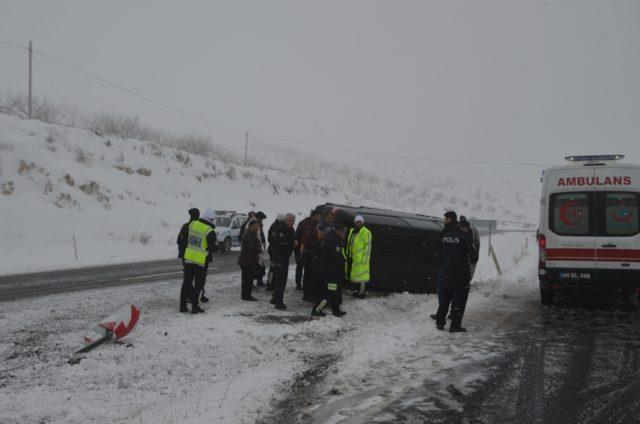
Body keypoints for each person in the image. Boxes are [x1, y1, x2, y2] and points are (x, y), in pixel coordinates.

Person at [435, 211, 478, 332]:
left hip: (445, 273)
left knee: (444, 300)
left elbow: (439, 255)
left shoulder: (444, 236)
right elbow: (474, 257)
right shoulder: (464, 236)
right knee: (459, 301)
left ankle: (440, 322)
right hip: (460, 275)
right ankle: (455, 325)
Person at [180, 208, 217, 314]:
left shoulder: (192, 224)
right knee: (198, 285)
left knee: (186, 283)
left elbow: (185, 238)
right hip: (201, 261)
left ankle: (182, 306)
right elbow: (212, 247)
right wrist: (216, 247)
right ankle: (195, 307)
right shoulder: (209, 231)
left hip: (189, 258)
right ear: (210, 219)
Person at [311, 223, 347, 317]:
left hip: (331, 270)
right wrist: (344, 260)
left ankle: (336, 310)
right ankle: (317, 309)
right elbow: (337, 255)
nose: (344, 235)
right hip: (331, 272)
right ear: (340, 231)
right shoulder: (333, 239)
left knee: (334, 291)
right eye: (344, 233)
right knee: (330, 292)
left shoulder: (333, 237)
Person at [270, 213, 296, 310]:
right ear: (286, 220)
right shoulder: (280, 229)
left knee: (282, 279)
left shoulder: (291, 229)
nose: (293, 223)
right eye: (292, 221)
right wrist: (290, 243)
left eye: (294, 221)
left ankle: (275, 298)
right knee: (280, 280)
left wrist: (293, 242)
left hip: (285, 257)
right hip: (279, 257)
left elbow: (292, 238)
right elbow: (278, 242)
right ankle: (278, 301)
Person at [298, 208, 323, 302]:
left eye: (320, 217)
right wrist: (319, 239)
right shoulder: (309, 225)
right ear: (313, 216)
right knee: (309, 274)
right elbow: (308, 241)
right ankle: (307, 294)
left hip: (310, 252)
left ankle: (309, 293)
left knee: (310, 274)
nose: (319, 218)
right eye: (317, 216)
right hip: (308, 252)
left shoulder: (315, 225)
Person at [346, 215, 372, 299]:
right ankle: (357, 292)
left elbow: (368, 247)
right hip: (353, 258)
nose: (358, 223)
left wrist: (364, 259)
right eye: (357, 221)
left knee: (362, 278)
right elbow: (350, 243)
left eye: (360, 221)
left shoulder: (366, 232)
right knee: (356, 276)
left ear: (363, 222)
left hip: (361, 259)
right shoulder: (352, 231)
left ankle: (361, 293)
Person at [237, 219, 262, 301]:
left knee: (247, 278)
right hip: (246, 260)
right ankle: (246, 295)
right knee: (247, 279)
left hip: (248, 260)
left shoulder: (252, 234)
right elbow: (251, 247)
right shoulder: (248, 235)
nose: (257, 228)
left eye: (257, 227)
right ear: (250, 226)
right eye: (255, 226)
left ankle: (246, 295)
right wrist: (258, 249)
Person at [265, 214, 285, 291]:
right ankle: (270, 284)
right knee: (273, 268)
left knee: (273, 268)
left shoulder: (274, 225)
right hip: (274, 251)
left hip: (273, 250)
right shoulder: (275, 227)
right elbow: (271, 238)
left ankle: (271, 283)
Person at [459, 216, 480, 281]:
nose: (463, 229)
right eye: (461, 227)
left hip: (469, 260)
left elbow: (474, 249)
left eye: (464, 227)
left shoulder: (470, 236)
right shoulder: (461, 236)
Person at [254, 211, 268, 287]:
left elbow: (262, 235)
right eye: (261, 219)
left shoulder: (260, 225)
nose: (262, 221)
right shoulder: (253, 225)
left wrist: (264, 242)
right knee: (254, 267)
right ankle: (251, 283)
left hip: (259, 248)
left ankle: (260, 282)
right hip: (255, 249)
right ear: (258, 218)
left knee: (261, 266)